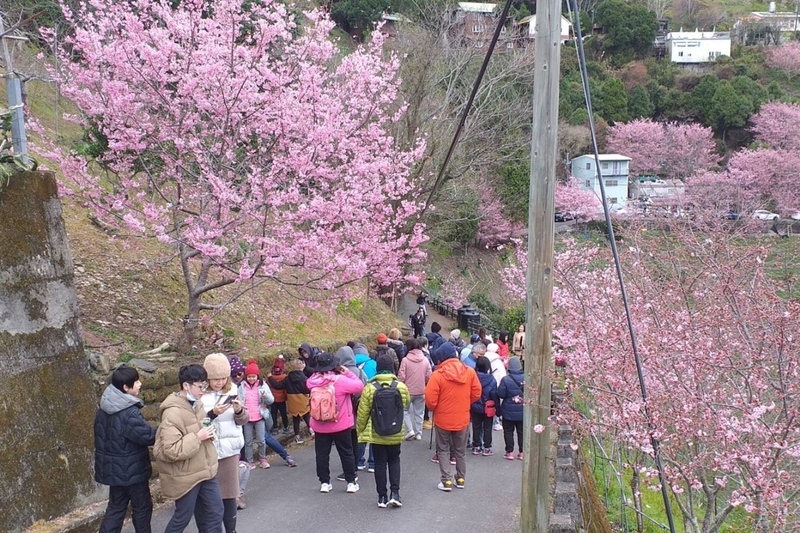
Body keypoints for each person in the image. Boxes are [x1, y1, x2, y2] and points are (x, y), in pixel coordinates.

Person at [154, 364, 223, 533]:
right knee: (182, 518)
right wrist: (198, 437)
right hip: (186, 476)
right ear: (186, 386)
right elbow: (171, 450)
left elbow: (198, 426)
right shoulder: (172, 413)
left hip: (205, 469)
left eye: (205, 386)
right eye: (200, 386)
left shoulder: (197, 404)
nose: (203, 391)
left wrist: (208, 432)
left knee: (215, 512)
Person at [94, 365, 156, 533]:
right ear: (125, 387)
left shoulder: (104, 408)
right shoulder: (129, 413)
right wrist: (166, 428)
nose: (140, 384)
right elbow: (147, 436)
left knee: (115, 508)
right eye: (136, 382)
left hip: (113, 469)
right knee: (142, 508)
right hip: (132, 471)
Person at [199, 354, 249, 533]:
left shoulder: (233, 389)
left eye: (222, 378)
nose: (219, 382)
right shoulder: (199, 394)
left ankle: (231, 529)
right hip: (208, 451)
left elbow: (243, 421)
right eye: (215, 379)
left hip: (230, 450)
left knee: (229, 496)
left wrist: (239, 411)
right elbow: (194, 422)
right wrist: (212, 413)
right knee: (210, 499)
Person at [425, 342, 481, 492]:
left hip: (443, 419)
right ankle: (461, 479)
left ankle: (446, 481)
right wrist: (465, 401)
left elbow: (430, 400)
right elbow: (477, 392)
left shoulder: (438, 375)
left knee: (443, 450)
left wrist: (436, 407)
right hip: (462, 418)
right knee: (460, 451)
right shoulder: (469, 372)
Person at [306, 352, 365, 494]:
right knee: (346, 452)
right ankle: (351, 482)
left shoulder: (312, 382)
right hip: (340, 423)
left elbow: (309, 383)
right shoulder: (340, 380)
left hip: (319, 424)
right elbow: (359, 386)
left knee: (321, 454)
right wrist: (348, 373)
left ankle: (324, 483)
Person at [357, 353, 410, 508]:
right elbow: (406, 404)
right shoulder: (400, 387)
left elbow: (362, 413)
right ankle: (395, 493)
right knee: (394, 461)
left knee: (380, 463)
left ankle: (381, 497)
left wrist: (360, 432)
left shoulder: (369, 388)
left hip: (377, 432)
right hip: (395, 431)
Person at [336, 346, 369, 480]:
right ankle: (356, 465)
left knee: (346, 445)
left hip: (345, 414)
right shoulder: (361, 372)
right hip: (359, 411)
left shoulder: (340, 374)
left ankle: (349, 471)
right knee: (355, 441)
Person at [239, 359, 274, 469]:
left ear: (257, 376)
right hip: (247, 417)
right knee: (248, 441)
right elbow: (238, 399)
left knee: (261, 440)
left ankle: (262, 459)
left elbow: (271, 400)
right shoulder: (241, 386)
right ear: (246, 377)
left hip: (260, 417)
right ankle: (250, 461)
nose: (251, 379)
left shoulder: (263, 386)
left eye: (254, 376)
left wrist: (265, 397)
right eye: (249, 376)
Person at [270, 358, 312, 444]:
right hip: (303, 400)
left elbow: (277, 385)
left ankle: (297, 436)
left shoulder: (287, 378)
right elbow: (308, 389)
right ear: (301, 367)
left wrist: (270, 377)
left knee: (295, 419)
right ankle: (311, 430)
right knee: (307, 416)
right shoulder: (304, 378)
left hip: (293, 402)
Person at [398, 337, 431, 441]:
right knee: (419, 412)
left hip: (408, 391)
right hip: (421, 390)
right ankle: (418, 433)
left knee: (405, 410)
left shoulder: (405, 360)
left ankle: (410, 430)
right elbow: (429, 375)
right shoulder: (425, 360)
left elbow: (401, 377)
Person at [470, 356, 498, 456]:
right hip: (488, 407)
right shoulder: (492, 380)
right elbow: (494, 394)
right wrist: (497, 408)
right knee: (487, 428)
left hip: (475, 405)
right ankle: (487, 447)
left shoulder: (473, 377)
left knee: (476, 426)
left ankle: (476, 446)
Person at [498, 357, 525, 461]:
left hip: (508, 410)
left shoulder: (506, 379)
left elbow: (501, 394)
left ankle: (509, 452)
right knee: (521, 432)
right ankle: (522, 452)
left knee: (508, 431)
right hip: (522, 410)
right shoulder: (526, 378)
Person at [267, 355, 291, 435]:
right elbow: (285, 388)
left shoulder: (270, 377)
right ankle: (286, 428)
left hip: (273, 399)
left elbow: (268, 387)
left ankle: (275, 428)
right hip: (282, 399)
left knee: (273, 414)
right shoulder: (284, 377)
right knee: (284, 414)